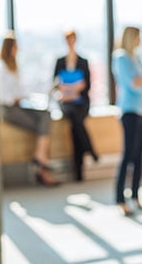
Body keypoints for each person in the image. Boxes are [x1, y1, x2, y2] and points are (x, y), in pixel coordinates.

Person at [0, 32, 59, 187]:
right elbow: (3, 96)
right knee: (43, 126)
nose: (18, 49)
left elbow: (20, 90)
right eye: (15, 46)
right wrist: (19, 97)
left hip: (19, 105)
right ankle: (42, 162)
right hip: (8, 109)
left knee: (45, 117)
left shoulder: (13, 66)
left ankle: (40, 159)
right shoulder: (0, 67)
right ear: (9, 47)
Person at [112, 26, 142, 216]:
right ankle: (120, 198)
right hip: (129, 111)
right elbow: (133, 84)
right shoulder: (120, 57)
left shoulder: (138, 58)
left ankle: (135, 195)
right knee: (127, 156)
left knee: (139, 157)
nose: (140, 40)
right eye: (138, 37)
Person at [53, 30, 98, 181]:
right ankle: (89, 149)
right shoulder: (59, 61)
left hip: (81, 102)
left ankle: (78, 170)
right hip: (66, 102)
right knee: (76, 121)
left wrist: (70, 89)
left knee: (75, 125)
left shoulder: (83, 61)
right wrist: (72, 90)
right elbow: (55, 84)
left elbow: (87, 85)